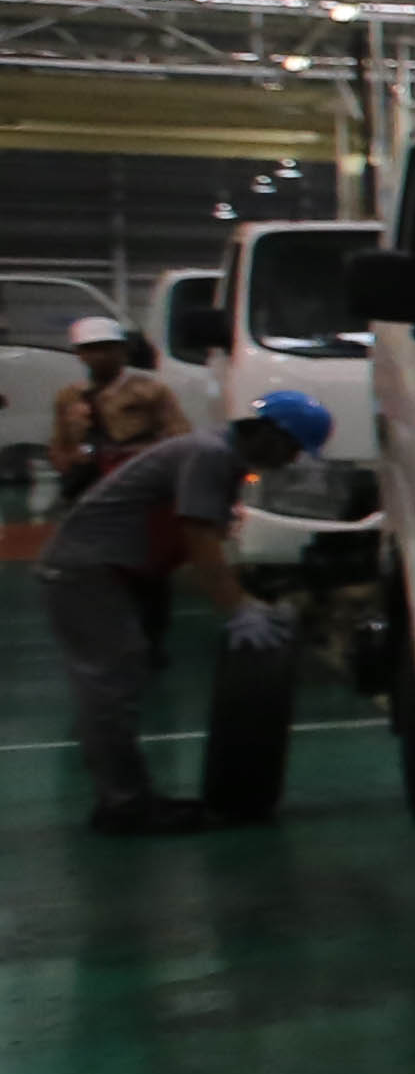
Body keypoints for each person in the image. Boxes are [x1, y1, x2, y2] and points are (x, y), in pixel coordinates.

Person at [42, 389, 319, 837]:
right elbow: (199, 541)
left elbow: (194, 554)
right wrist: (237, 608)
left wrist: (247, 602)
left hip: (105, 570)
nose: (290, 461)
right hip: (85, 571)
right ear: (270, 435)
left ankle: (128, 799)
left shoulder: (216, 455)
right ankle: (124, 807)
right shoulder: (208, 455)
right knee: (110, 683)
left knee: (120, 677)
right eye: (292, 448)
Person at [47, 312, 178, 499]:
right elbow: (60, 445)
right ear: (80, 355)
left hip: (140, 479)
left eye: (107, 348)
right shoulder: (69, 396)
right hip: (90, 486)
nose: (100, 356)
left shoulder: (150, 391)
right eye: (91, 349)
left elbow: (178, 436)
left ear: (123, 351)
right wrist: (74, 460)